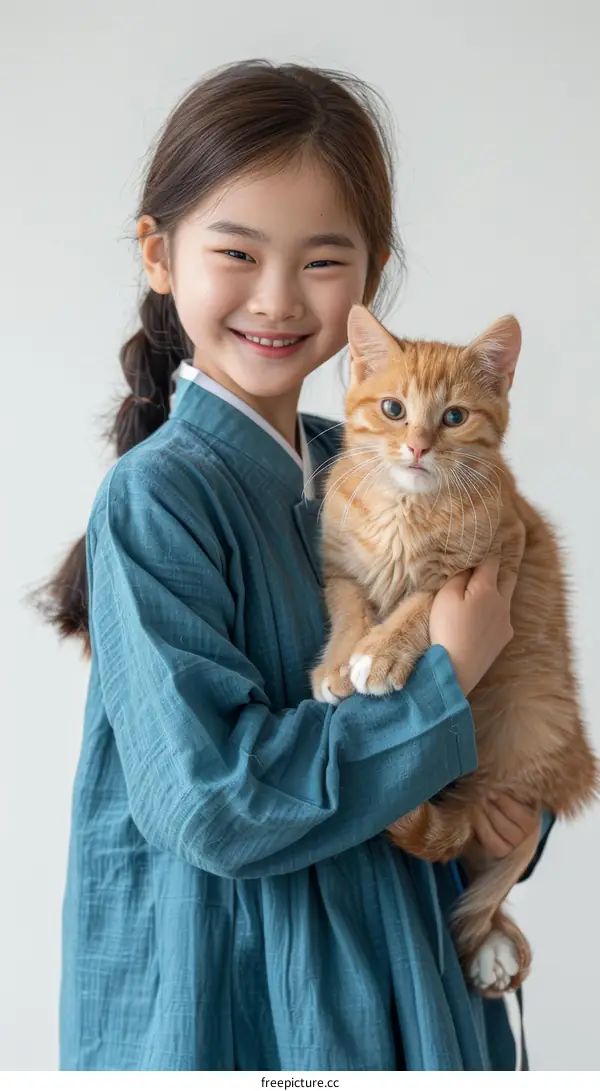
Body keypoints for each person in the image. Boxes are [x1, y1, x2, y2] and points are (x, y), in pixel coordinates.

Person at [42, 60, 550, 1071]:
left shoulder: (371, 462)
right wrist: (438, 682)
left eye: (323, 260)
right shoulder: (158, 497)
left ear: (372, 274)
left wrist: (504, 819)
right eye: (236, 249)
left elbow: (486, 710)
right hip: (248, 993)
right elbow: (212, 801)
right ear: (159, 251)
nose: (275, 297)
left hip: (405, 965)